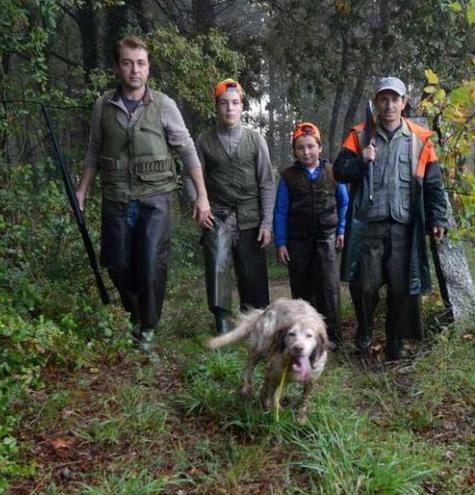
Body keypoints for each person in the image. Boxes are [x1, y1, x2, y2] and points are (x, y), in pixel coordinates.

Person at [75, 36, 214, 352]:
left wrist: (201, 196)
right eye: (127, 62)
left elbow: (187, 149)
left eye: (140, 63)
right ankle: (134, 314)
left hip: (155, 198)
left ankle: (147, 328)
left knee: (151, 263)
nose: (134, 70)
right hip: (116, 198)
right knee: (118, 263)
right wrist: (82, 190)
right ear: (118, 66)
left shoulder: (164, 105)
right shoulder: (103, 106)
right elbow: (94, 149)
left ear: (149, 68)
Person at [333, 76, 449, 361]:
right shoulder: (359, 135)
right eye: (383, 99)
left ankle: (395, 341)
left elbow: (434, 184)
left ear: (404, 103)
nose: (389, 105)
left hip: (404, 225)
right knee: (364, 284)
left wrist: (438, 218)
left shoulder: (421, 139)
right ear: (376, 102)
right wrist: (362, 160)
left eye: (394, 99)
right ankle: (365, 329)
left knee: (402, 286)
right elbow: (339, 171)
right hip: (368, 225)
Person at [194, 79, 276, 334]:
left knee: (252, 271)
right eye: (223, 103)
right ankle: (222, 319)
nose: (229, 108)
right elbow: (192, 176)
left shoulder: (255, 140)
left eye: (235, 103)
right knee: (217, 261)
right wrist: (199, 202)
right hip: (217, 214)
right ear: (216, 106)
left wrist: (266, 223)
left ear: (242, 107)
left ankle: (254, 321)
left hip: (250, 215)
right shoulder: (204, 140)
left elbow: (266, 183)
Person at [274, 122, 348, 347]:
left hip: (327, 239)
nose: (306, 152)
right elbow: (280, 211)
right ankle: (304, 340)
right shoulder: (288, 177)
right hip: (298, 241)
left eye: (310, 146)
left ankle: (332, 337)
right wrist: (281, 242)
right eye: (300, 148)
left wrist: (342, 230)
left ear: (319, 147)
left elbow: (344, 203)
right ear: (294, 151)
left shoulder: (333, 172)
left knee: (329, 288)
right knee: (302, 288)